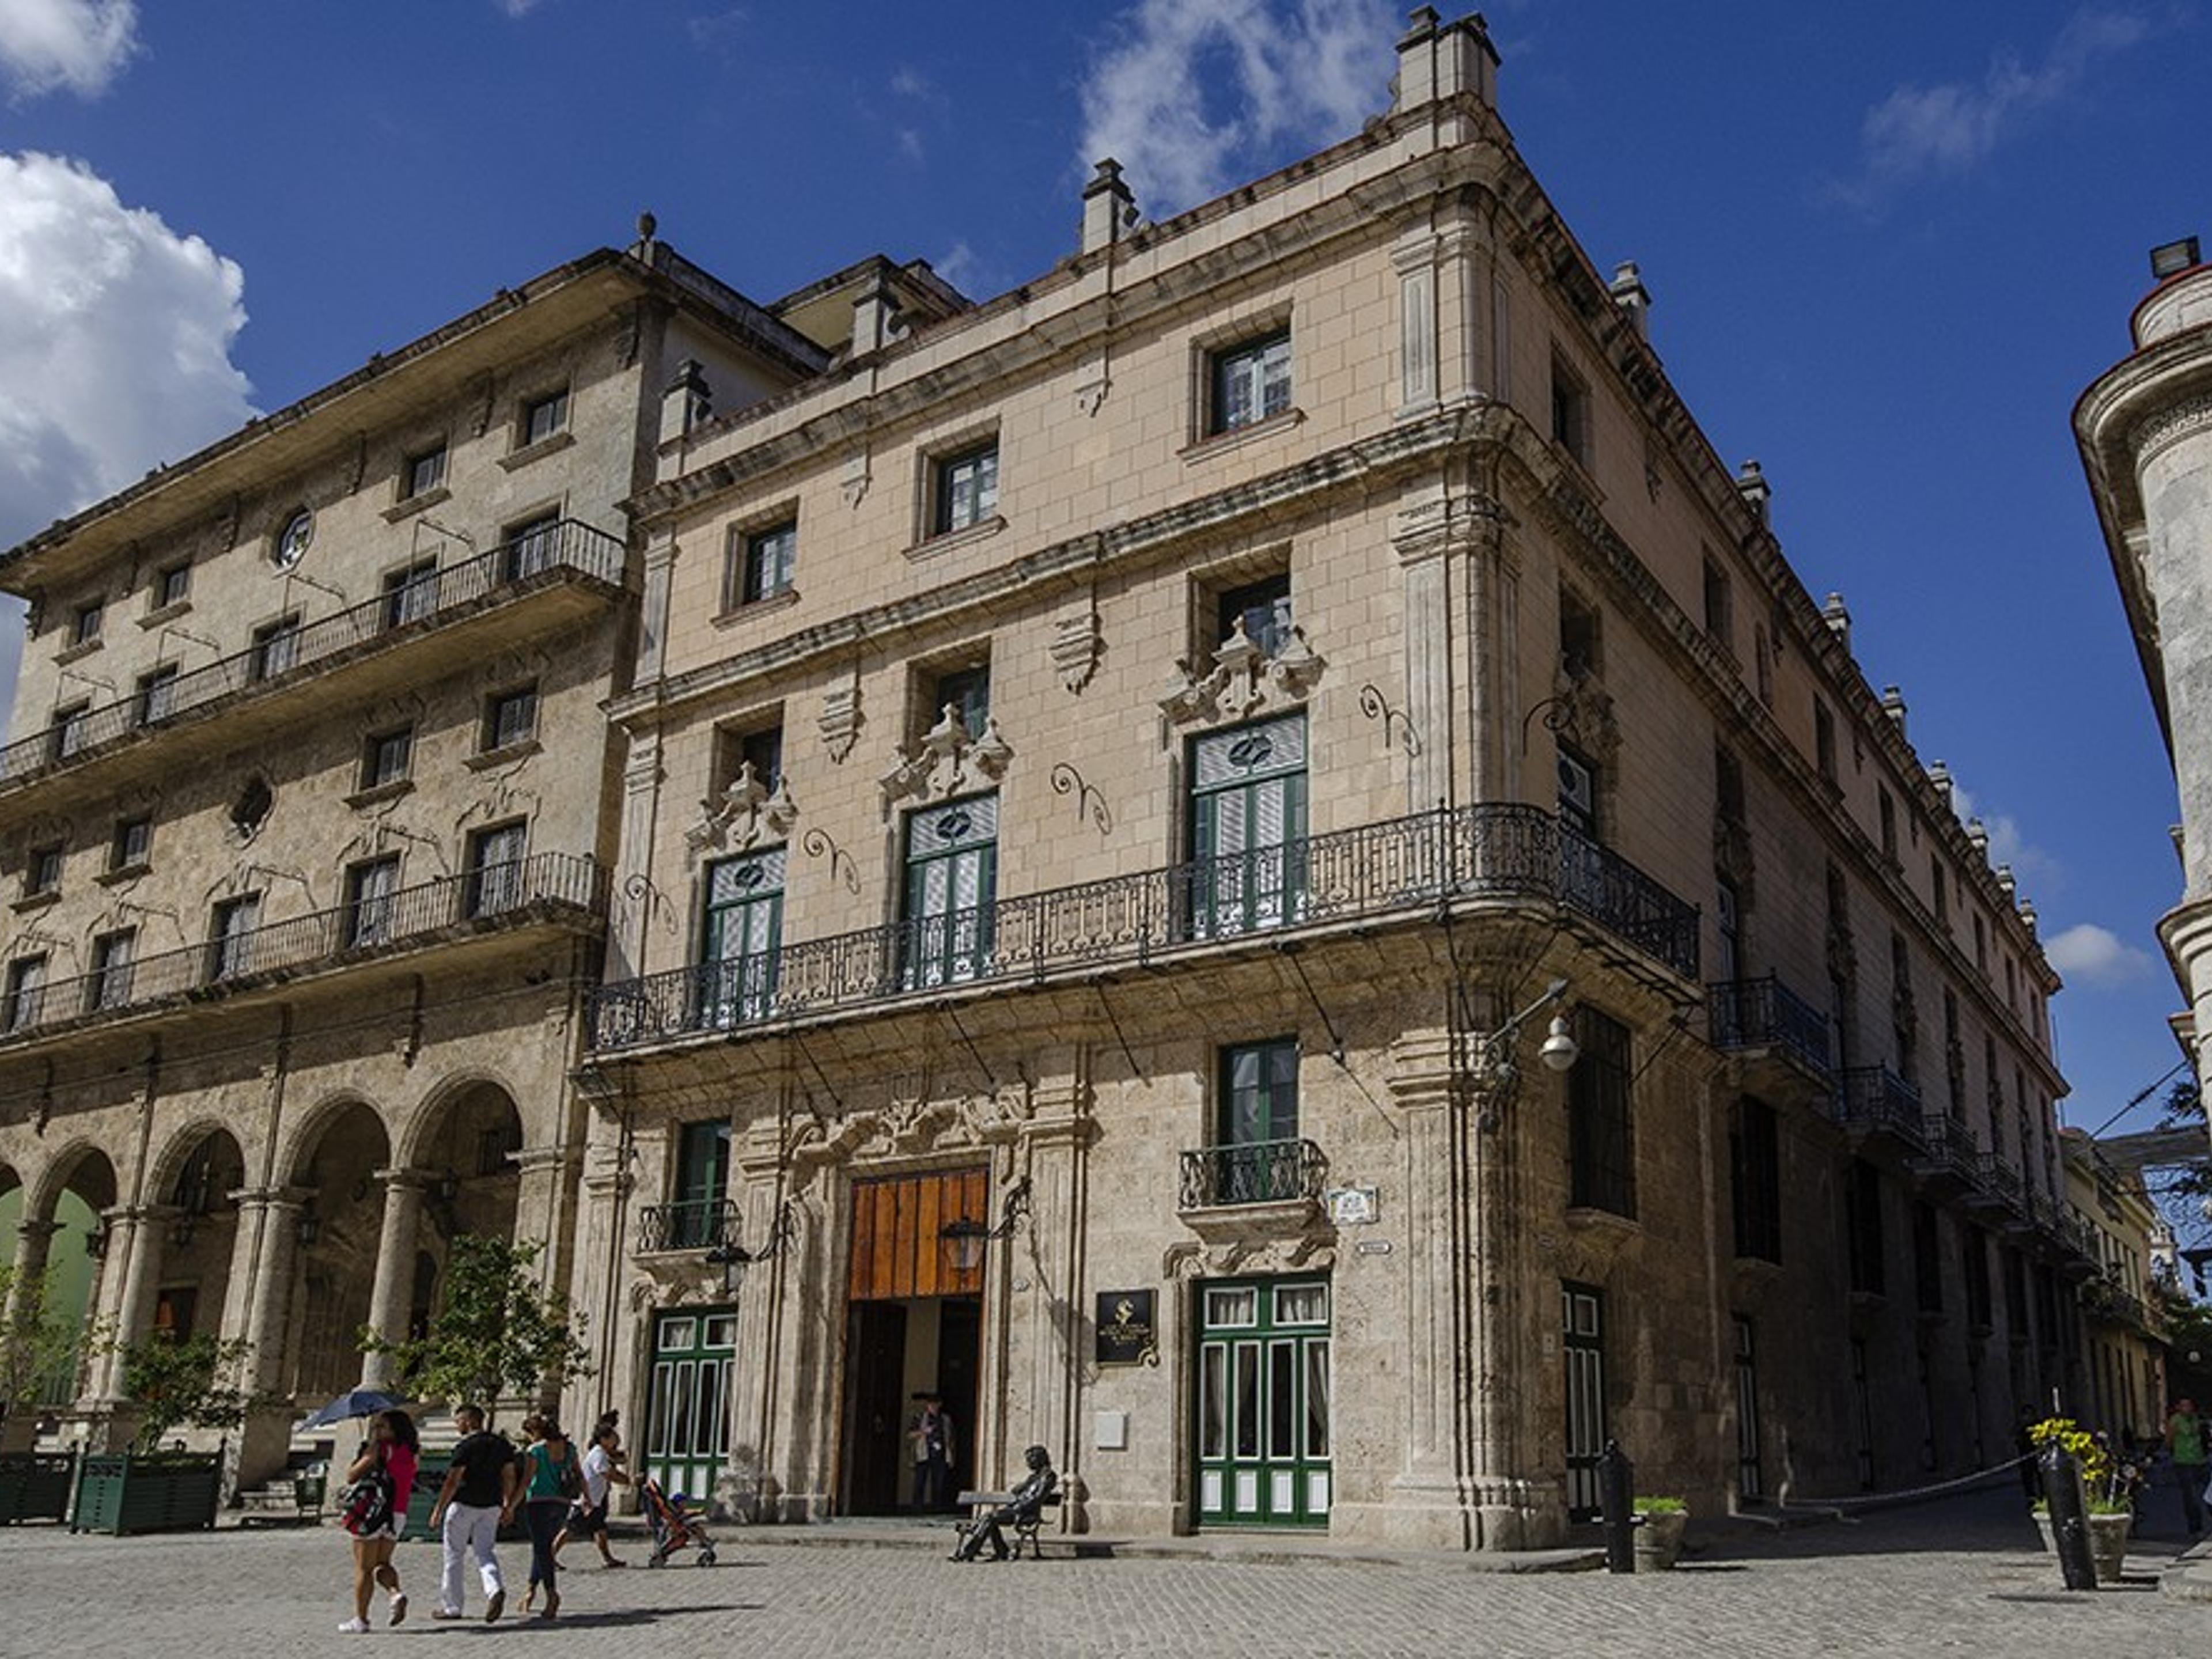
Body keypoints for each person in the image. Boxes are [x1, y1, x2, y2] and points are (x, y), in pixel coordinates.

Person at [426, 1404, 518, 1624]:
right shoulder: (501, 1445)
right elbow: (509, 1476)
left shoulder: (465, 1447)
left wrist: (438, 1510)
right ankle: (494, 1589)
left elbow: (453, 1481)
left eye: (458, 1421)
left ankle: (453, 1606)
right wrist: (508, 1504)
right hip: (491, 1505)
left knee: (454, 1555)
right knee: (485, 1552)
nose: (457, 1426)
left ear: (468, 1421)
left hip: (464, 1504)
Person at [339, 1408, 419, 1634]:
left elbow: (351, 1476)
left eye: (382, 1426)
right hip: (398, 1513)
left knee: (364, 1568)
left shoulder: (379, 1449)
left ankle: (361, 1619)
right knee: (382, 1563)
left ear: (394, 1429)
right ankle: (395, 1593)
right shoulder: (412, 1451)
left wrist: (367, 1453)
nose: (377, 1429)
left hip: (373, 1511)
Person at [950, 1444, 1056, 1562]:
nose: (1028, 1463)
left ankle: (968, 1551)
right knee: (988, 1519)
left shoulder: (1048, 1476)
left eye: (1031, 1459)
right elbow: (1015, 1491)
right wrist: (1026, 1483)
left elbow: (1037, 1499)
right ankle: (1001, 1551)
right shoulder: (1035, 1476)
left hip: (1025, 1513)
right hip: (1016, 1509)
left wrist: (1019, 1509)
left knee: (989, 1518)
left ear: (1039, 1458)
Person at [517, 1415, 579, 1619]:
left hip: (539, 1501)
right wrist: (587, 1497)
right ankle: (530, 1591)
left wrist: (511, 1504)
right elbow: (579, 1474)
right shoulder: (570, 1449)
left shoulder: (536, 1451)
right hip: (562, 1502)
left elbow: (528, 1479)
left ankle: (551, 1594)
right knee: (543, 1548)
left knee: (542, 1548)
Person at [554, 1420, 630, 1568]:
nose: (616, 1439)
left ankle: (608, 1558)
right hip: (586, 1501)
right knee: (570, 1529)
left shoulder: (603, 1453)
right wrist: (628, 1480)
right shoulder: (598, 1454)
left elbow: (618, 1460)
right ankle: (549, 1557)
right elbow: (607, 1473)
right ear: (604, 1439)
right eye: (613, 1437)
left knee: (600, 1530)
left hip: (596, 1500)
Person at [908, 1390, 956, 1512]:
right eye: (931, 1404)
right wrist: (924, 1431)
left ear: (940, 1404)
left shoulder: (946, 1419)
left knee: (938, 1484)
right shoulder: (919, 1417)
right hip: (923, 1453)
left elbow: (951, 1438)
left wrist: (951, 1456)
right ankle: (917, 1508)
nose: (933, 1407)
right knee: (920, 1482)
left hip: (940, 1454)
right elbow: (910, 1435)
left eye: (935, 1404)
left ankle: (937, 1507)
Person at [2169, 1397, 2207, 1538]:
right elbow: (2169, 1438)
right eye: (2184, 1405)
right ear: (2179, 1407)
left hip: (2199, 1460)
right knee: (2191, 1496)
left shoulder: (2196, 1419)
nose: (2187, 1408)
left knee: (2203, 1495)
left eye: (2189, 1405)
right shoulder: (2175, 1420)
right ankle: (2195, 1528)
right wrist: (2173, 1451)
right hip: (2183, 1461)